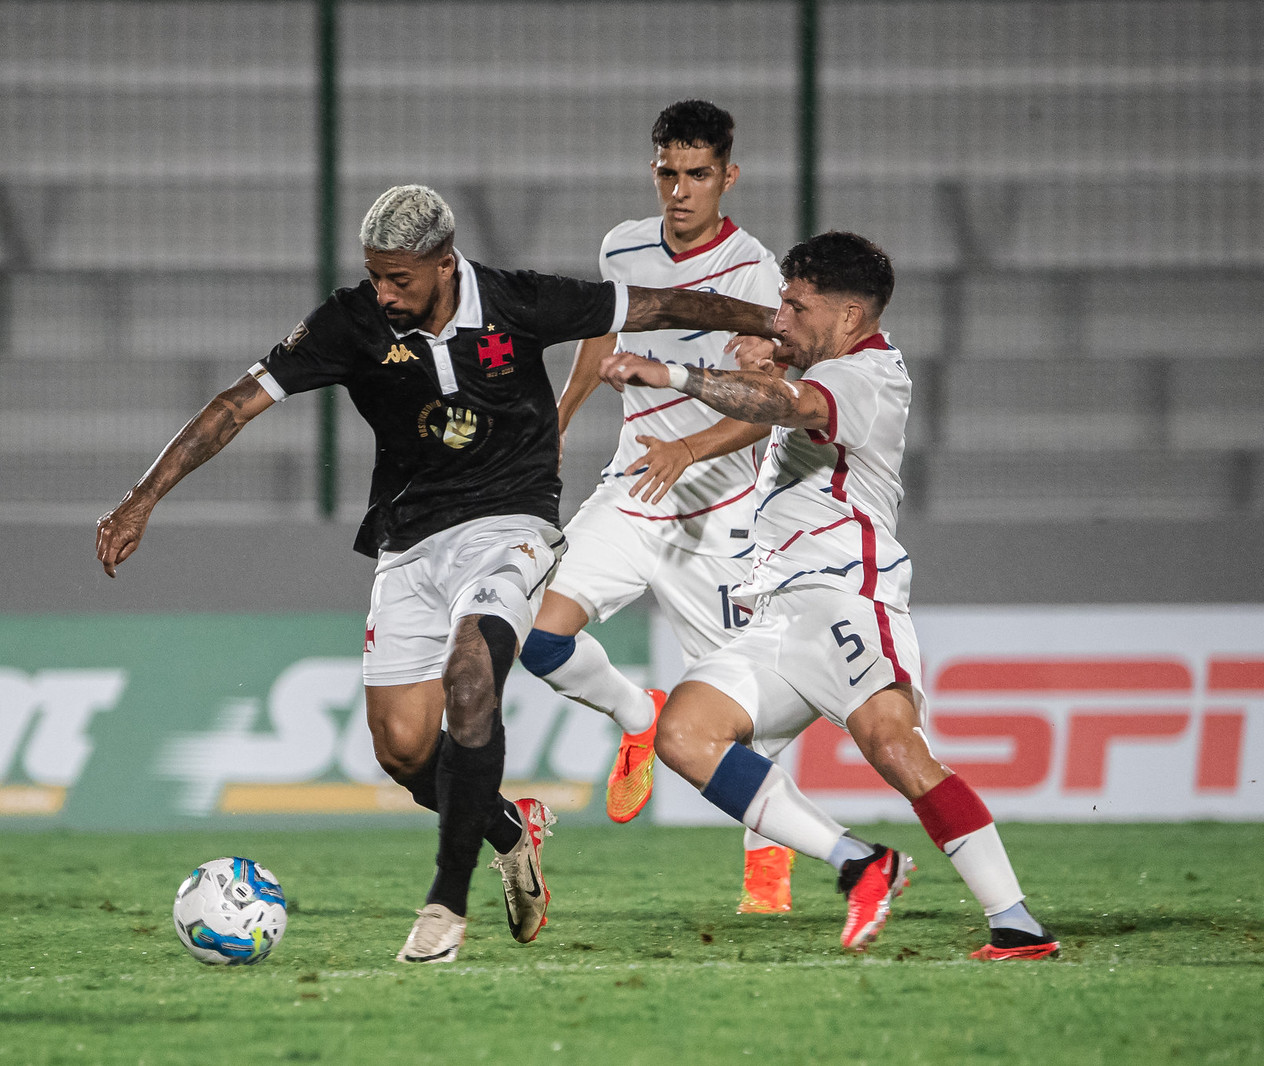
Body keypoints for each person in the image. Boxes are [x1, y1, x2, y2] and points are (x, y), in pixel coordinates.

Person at [96, 184, 778, 963]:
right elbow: (234, 406)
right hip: (410, 540)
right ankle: (508, 829)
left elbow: (656, 306)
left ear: (445, 265)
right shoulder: (349, 323)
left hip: (511, 523)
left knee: (471, 671)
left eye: (400, 280)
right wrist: (140, 499)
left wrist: (770, 321)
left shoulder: (519, 302)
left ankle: (444, 910)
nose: (384, 293)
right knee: (403, 751)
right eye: (375, 276)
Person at [598, 231, 1059, 960]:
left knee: (893, 747)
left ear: (849, 316)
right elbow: (774, 392)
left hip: (846, 594)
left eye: (795, 305)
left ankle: (1017, 923)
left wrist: (673, 374)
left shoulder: (866, 378)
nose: (779, 316)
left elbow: (790, 404)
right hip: (782, 611)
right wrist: (757, 364)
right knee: (685, 735)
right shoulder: (828, 361)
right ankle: (860, 862)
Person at [517, 99, 800, 913]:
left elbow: (772, 400)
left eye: (697, 174)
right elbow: (602, 338)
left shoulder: (755, 272)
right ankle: (637, 711)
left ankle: (767, 875)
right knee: (537, 634)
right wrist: (558, 423)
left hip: (721, 520)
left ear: (728, 177)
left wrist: (689, 448)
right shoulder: (623, 244)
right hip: (632, 491)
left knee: (753, 712)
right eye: (667, 172)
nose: (680, 190)